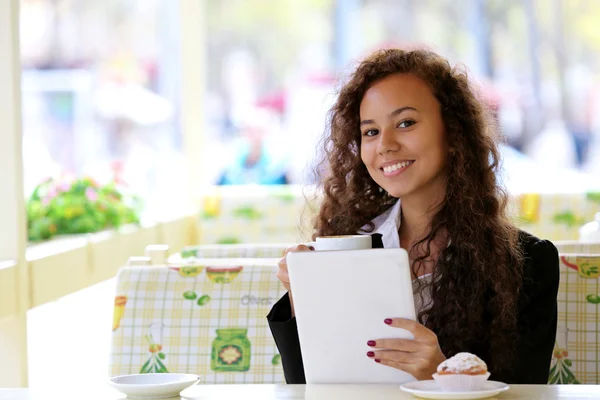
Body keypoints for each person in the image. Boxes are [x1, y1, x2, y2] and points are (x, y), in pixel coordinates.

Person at [267, 48, 559, 385]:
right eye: (371, 132)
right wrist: (299, 294)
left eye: (405, 123)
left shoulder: (528, 262)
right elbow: (305, 386)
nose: (385, 145)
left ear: (452, 133)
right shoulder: (344, 246)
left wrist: (440, 374)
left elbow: (526, 390)